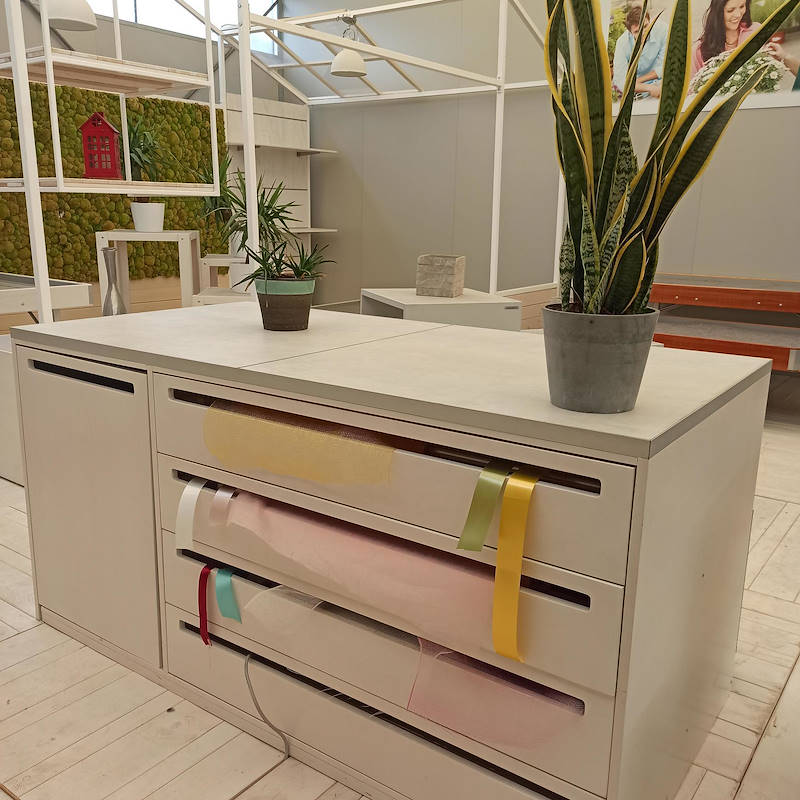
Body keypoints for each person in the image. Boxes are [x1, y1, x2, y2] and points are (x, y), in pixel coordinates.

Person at [612, 6, 668, 99]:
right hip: (633, 92)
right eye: (637, 31)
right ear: (630, 32)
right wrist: (648, 88)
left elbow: (665, 66)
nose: (643, 33)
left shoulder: (662, 29)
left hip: (658, 84)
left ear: (649, 21)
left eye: (645, 26)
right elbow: (621, 82)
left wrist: (638, 80)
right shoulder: (622, 44)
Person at [693, 0, 761, 75]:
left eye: (742, 6)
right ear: (718, 12)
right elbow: (692, 85)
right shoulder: (698, 50)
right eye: (730, 10)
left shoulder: (756, 31)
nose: (738, 15)